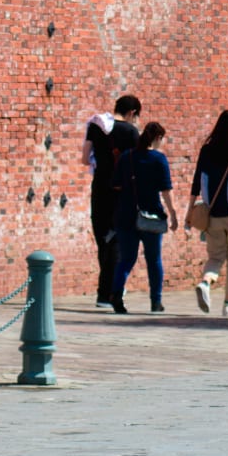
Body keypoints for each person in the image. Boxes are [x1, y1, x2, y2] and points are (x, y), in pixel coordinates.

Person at [111, 122, 176, 313]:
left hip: (126, 214)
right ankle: (156, 301)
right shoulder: (159, 159)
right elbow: (166, 190)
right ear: (157, 138)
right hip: (151, 216)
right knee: (154, 259)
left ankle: (116, 295)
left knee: (126, 259)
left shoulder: (126, 157)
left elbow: (116, 185)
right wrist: (173, 214)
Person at [192, 109, 228, 317]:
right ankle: (227, 304)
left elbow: (197, 181)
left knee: (215, 257)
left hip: (212, 214)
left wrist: (191, 209)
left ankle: (206, 283)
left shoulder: (206, 151)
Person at [85, 95, 140, 309]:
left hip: (99, 188)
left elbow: (84, 158)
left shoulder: (95, 125)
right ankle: (109, 292)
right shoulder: (131, 132)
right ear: (132, 112)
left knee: (103, 239)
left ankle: (104, 291)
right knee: (118, 239)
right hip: (122, 191)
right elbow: (137, 165)